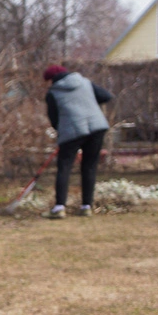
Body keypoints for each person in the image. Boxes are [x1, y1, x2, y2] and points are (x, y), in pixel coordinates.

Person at [42, 65, 113, 219]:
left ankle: (59, 207)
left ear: (51, 80)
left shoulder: (53, 93)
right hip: (97, 127)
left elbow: (54, 119)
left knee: (64, 167)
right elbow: (106, 96)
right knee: (89, 166)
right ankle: (86, 206)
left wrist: (61, 131)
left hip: (72, 130)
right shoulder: (85, 82)